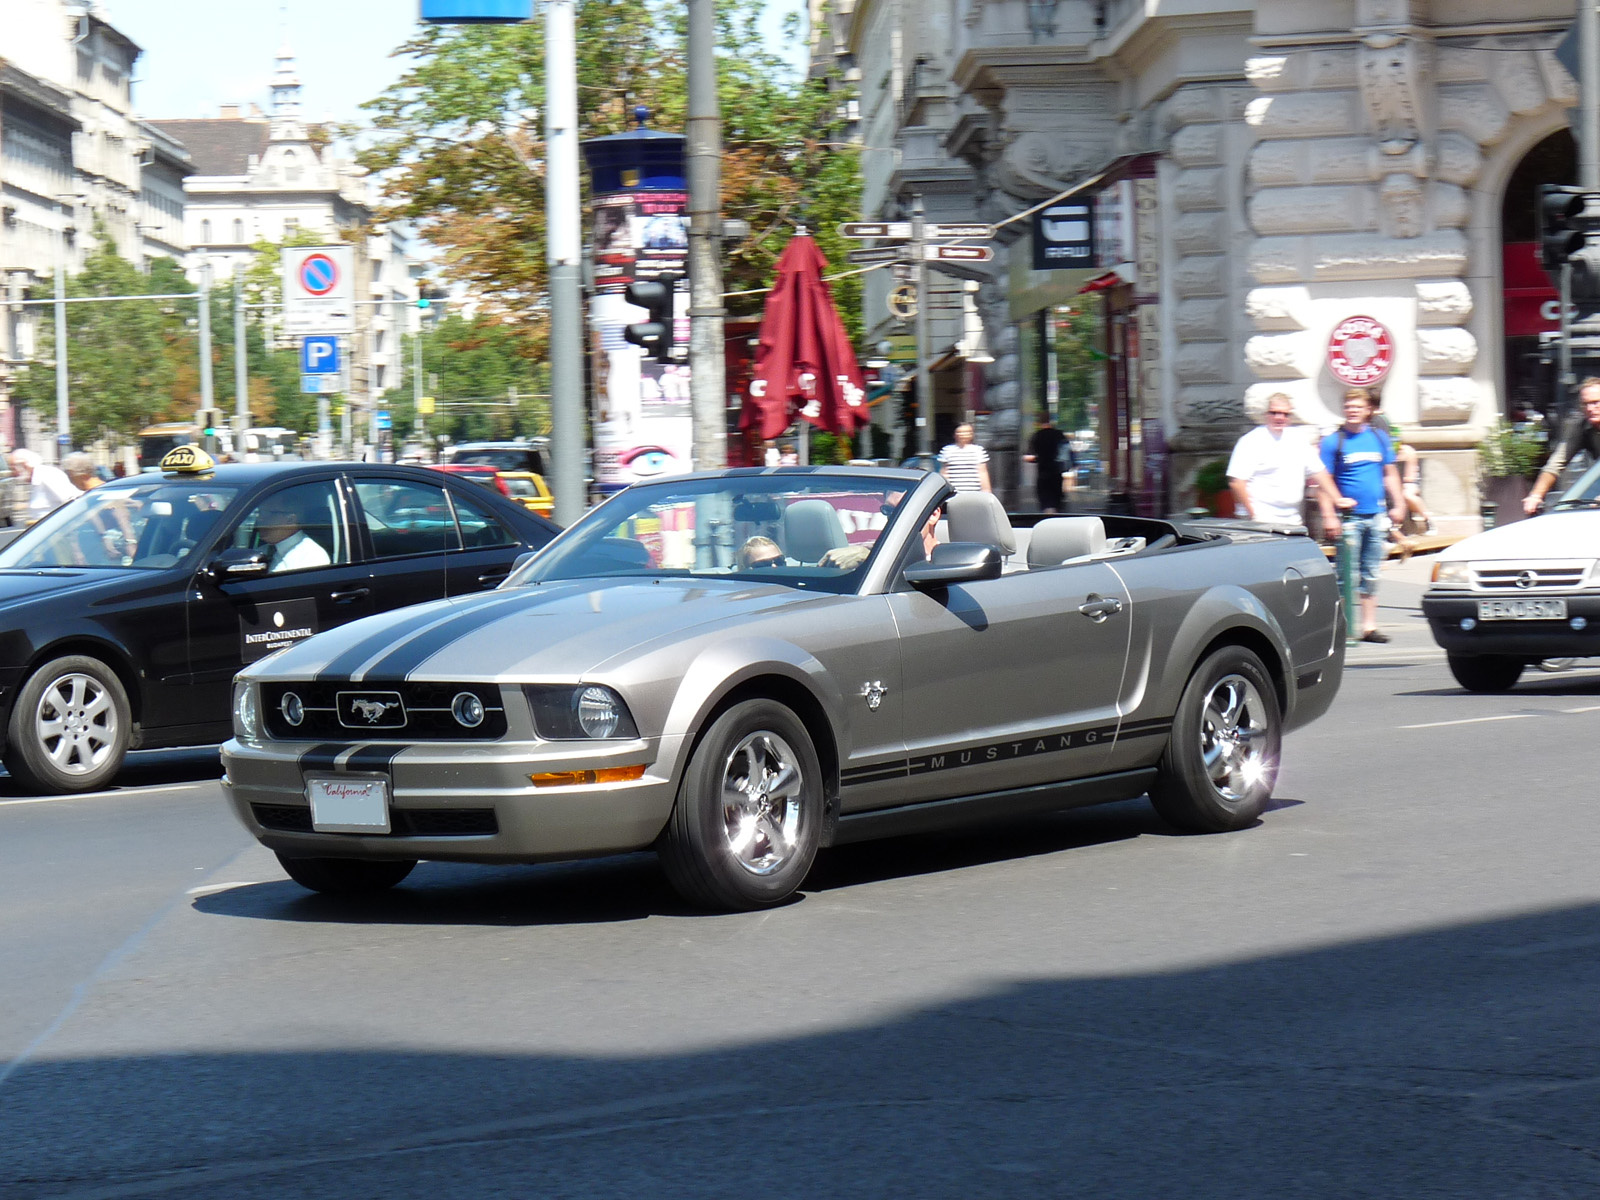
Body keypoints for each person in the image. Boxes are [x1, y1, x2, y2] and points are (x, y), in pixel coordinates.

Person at [1321, 389, 1406, 643]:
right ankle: (1343, 626)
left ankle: (1369, 627)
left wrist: (1399, 503)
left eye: (1357, 406)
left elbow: (1390, 473)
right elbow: (1323, 481)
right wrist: (1329, 515)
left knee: (1371, 572)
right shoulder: (1333, 441)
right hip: (1349, 519)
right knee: (1347, 575)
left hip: (1376, 515)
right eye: (1348, 406)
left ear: (1368, 410)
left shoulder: (1379, 438)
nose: (1352, 410)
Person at [1226, 394, 1346, 533]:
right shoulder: (1250, 441)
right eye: (1274, 412)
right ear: (1266, 414)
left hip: (1293, 520)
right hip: (1261, 521)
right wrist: (1254, 515)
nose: (1279, 417)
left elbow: (1320, 473)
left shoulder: (1298, 439)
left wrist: (1338, 499)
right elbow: (1237, 482)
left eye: (1285, 414)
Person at [1524, 377, 1600, 513]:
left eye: (1595, 403)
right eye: (1585, 404)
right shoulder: (1582, 427)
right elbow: (1556, 462)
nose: (1590, 408)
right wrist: (1536, 495)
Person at [255, 497, 331, 573]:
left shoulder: (311, 557)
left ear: (290, 519)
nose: (259, 518)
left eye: (267, 513)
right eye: (260, 513)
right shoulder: (262, 551)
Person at [9, 449, 82, 525]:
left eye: (13, 469)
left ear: (24, 465)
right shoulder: (36, 478)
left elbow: (70, 499)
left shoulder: (46, 474)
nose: (13, 474)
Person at [1024, 417, 1068, 513]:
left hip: (1043, 472)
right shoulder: (1059, 435)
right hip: (1056, 472)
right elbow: (1066, 452)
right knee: (1057, 499)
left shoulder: (1037, 435)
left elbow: (1029, 456)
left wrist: (1038, 459)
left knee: (1045, 500)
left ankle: (1047, 517)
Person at [939, 423, 991, 493]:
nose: (963, 434)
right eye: (960, 432)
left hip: (974, 491)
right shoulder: (947, 450)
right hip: (954, 491)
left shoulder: (978, 450)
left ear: (971, 434)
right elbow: (945, 473)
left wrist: (986, 491)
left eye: (966, 432)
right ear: (955, 434)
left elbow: (983, 472)